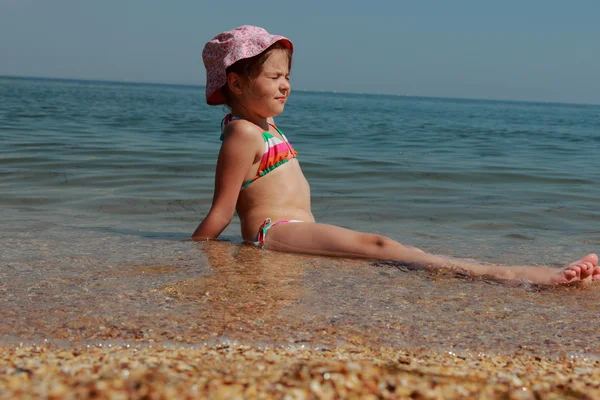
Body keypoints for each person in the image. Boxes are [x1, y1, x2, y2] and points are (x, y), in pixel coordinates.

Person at [192, 25, 599, 285]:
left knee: (408, 255)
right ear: (237, 82)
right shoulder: (243, 133)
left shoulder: (264, 125)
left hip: (292, 230)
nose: (286, 86)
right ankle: (528, 278)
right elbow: (222, 212)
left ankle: (519, 275)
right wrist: (190, 255)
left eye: (288, 77)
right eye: (274, 77)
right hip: (275, 232)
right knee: (382, 246)